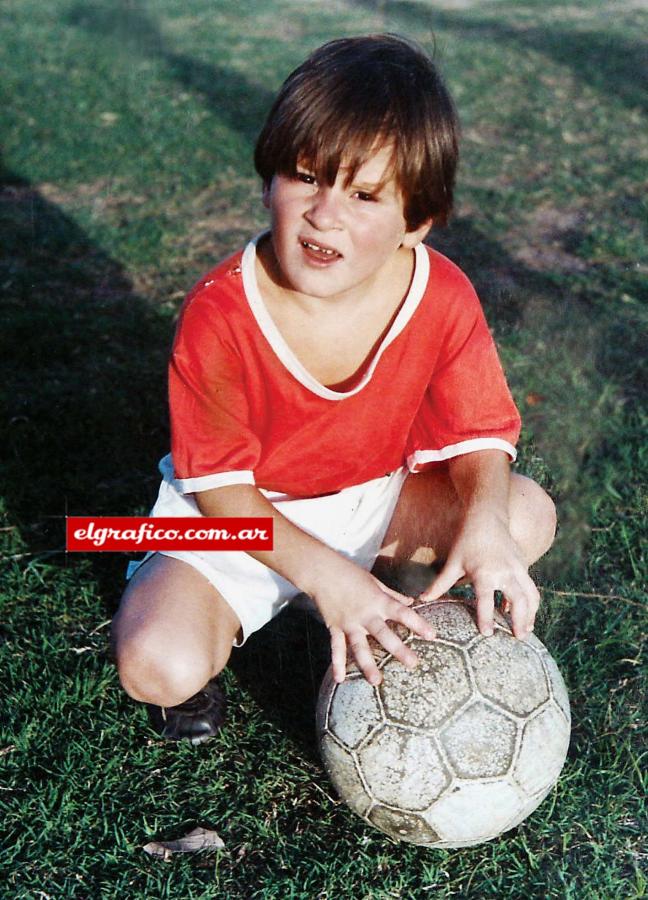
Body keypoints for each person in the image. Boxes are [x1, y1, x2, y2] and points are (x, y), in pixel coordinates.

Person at [112, 34, 556, 744]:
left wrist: (484, 521)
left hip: (372, 505)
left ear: (417, 221)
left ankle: (389, 624)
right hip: (237, 523)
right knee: (156, 664)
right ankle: (245, 604)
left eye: (364, 194)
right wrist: (323, 574)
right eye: (306, 176)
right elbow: (221, 489)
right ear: (268, 180)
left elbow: (480, 432)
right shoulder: (221, 311)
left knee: (523, 515)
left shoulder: (439, 293)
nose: (326, 213)